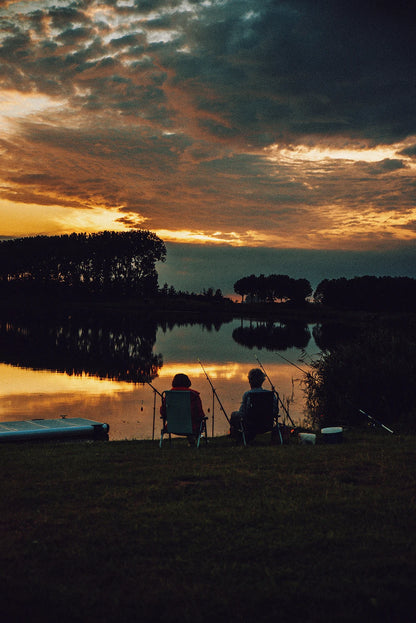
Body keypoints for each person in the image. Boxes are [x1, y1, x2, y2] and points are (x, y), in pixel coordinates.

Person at [230, 368, 279, 443]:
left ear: (250, 381)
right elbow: (275, 411)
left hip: (251, 425)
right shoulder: (271, 395)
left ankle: (240, 438)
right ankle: (246, 438)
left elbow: (243, 412)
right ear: (262, 381)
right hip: (267, 425)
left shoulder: (248, 394)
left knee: (234, 415)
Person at [160, 373, 206, 445]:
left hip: (172, 426)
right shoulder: (193, 395)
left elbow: (163, 412)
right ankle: (193, 440)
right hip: (191, 427)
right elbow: (199, 413)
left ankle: (192, 440)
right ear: (188, 382)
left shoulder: (169, 395)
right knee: (198, 421)